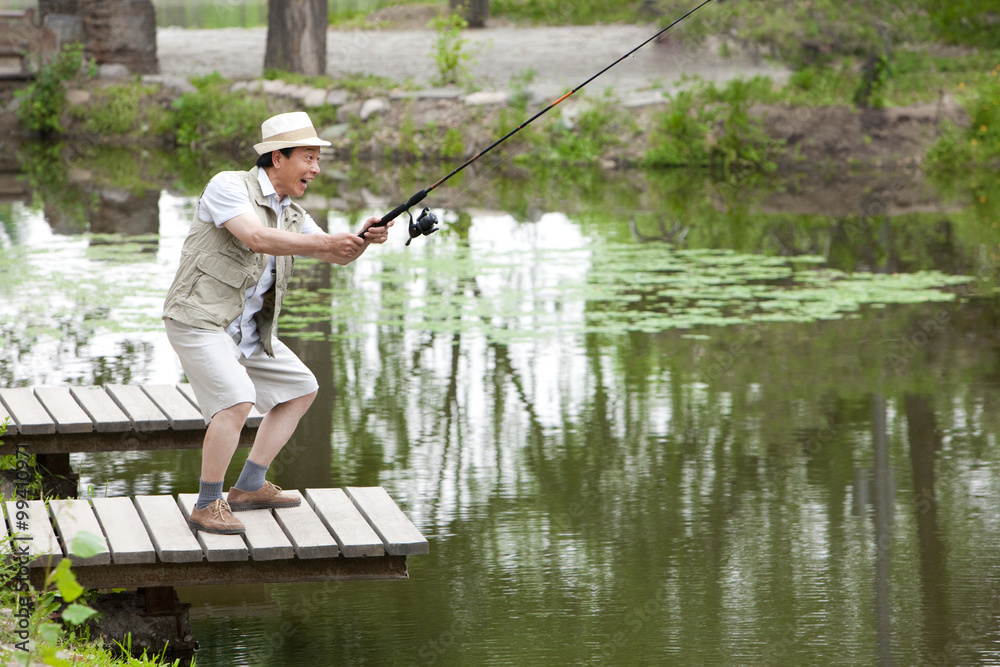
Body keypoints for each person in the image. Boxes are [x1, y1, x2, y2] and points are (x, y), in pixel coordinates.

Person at [162, 111, 392, 535]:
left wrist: (362, 239)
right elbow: (256, 237)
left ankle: (248, 487)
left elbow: (334, 254)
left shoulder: (293, 214)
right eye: (309, 157)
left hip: (247, 330)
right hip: (199, 321)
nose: (316, 169)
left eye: (317, 159)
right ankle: (207, 503)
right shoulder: (229, 186)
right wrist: (326, 242)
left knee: (300, 388)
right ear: (278, 158)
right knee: (236, 399)